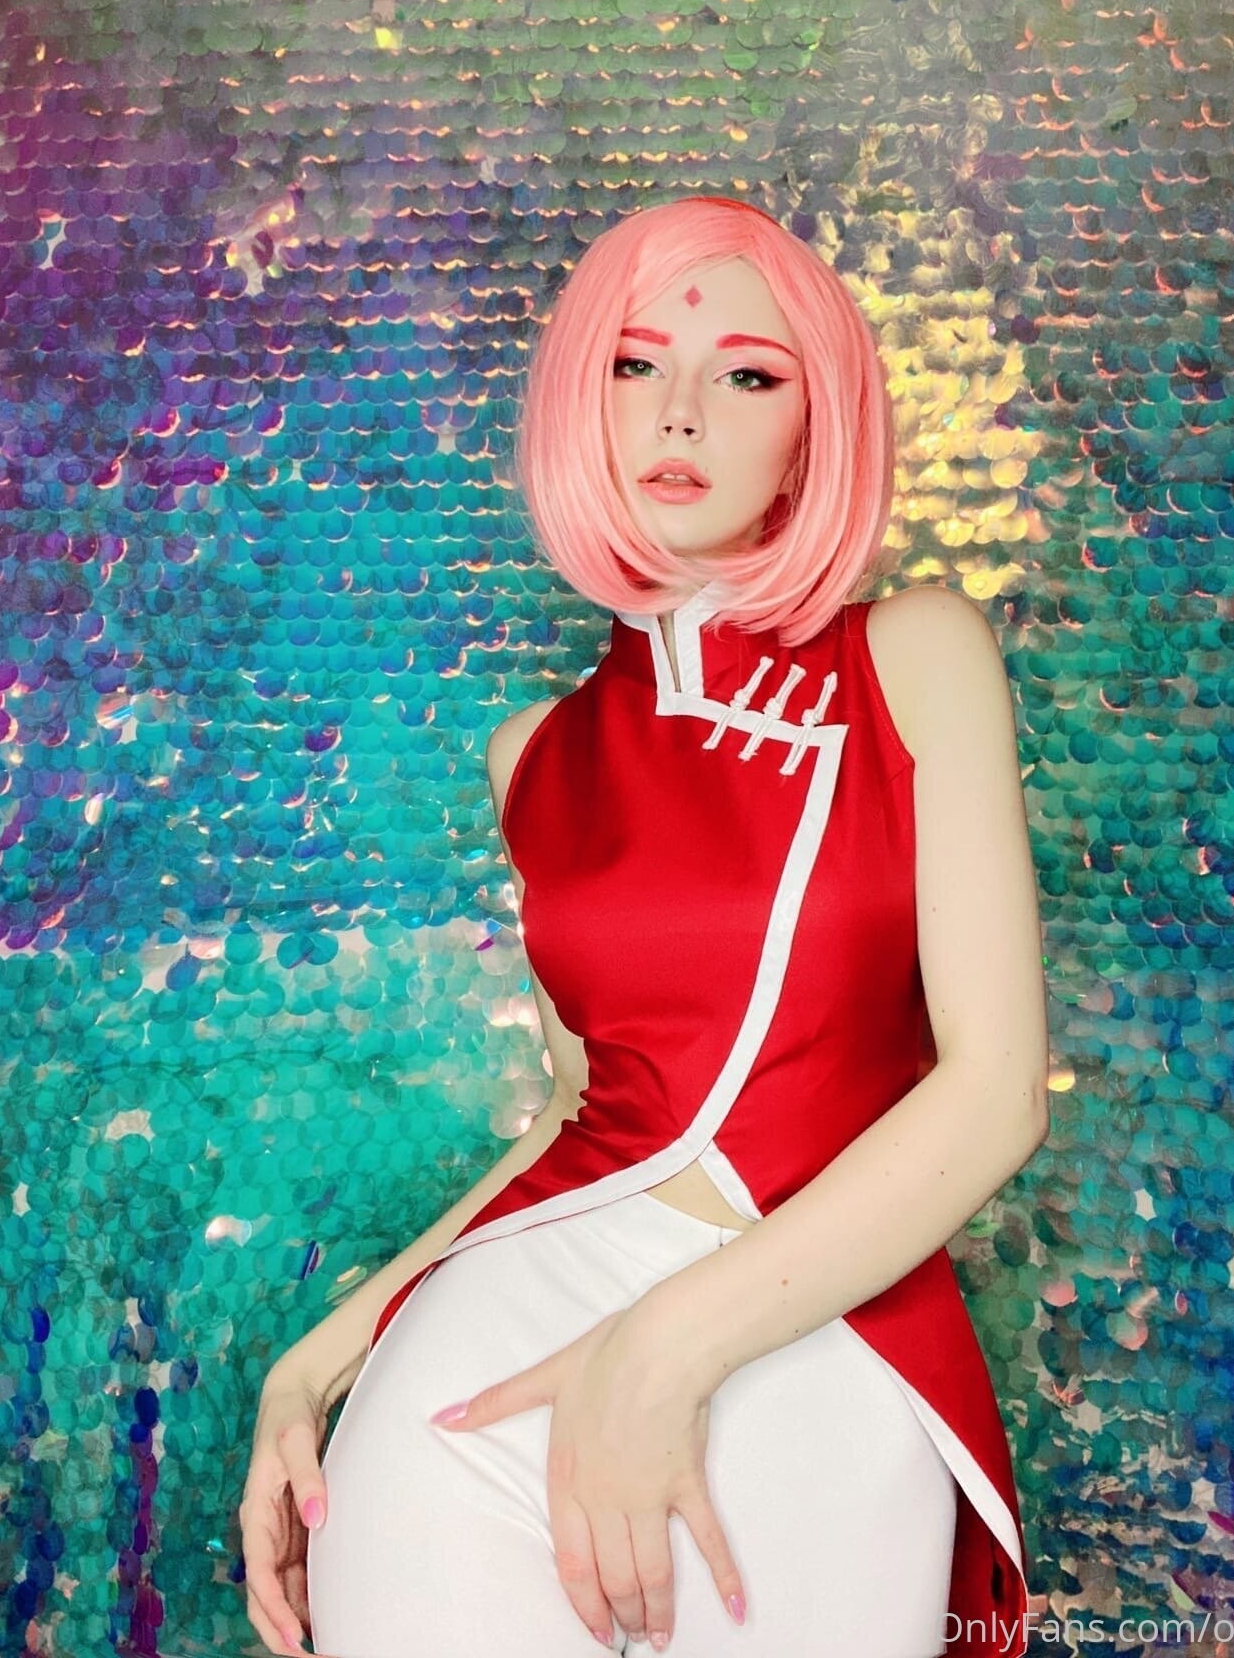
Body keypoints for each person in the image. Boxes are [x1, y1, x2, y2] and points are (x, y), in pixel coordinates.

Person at [239, 195, 1050, 1658]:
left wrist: (660, 1350)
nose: (680, 409)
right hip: (484, 1387)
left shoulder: (917, 655)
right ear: (581, 399)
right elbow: (588, 1119)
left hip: (821, 1345)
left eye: (747, 372)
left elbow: (994, 1094)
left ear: (814, 427)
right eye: (633, 364)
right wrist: (319, 1358)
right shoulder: (535, 757)